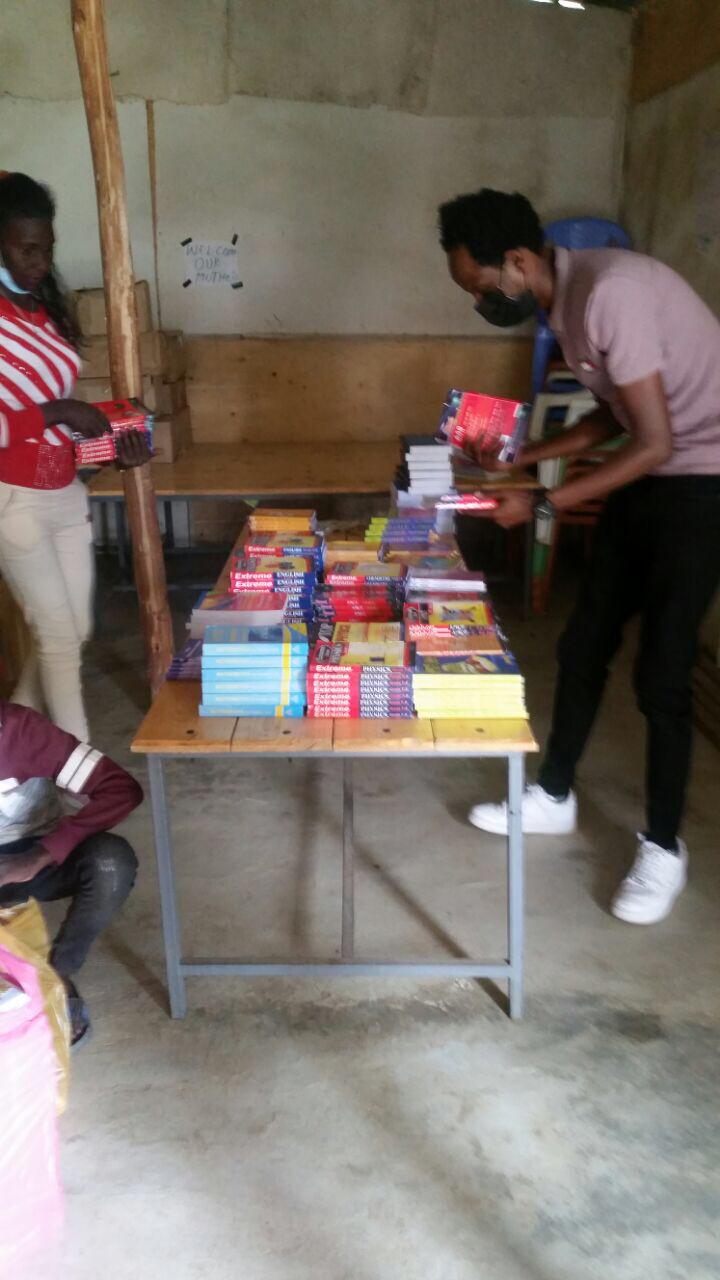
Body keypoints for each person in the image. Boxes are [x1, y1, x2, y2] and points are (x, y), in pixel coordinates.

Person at [438, 188, 720, 925]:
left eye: (478, 285)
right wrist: (524, 456)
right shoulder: (562, 303)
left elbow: (654, 440)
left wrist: (542, 503)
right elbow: (612, 416)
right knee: (584, 641)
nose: (478, 300)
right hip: (652, 470)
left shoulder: (609, 294)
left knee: (662, 676)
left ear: (517, 260)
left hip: (705, 482)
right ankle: (554, 795)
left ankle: (664, 847)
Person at [0, 171, 149, 742]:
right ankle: (80, 767)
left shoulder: (43, 310)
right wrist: (59, 410)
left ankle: (14, 735)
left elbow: (58, 424)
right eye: (26, 250)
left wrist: (110, 447)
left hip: (66, 491)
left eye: (47, 248)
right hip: (14, 500)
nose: (40, 262)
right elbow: (42, 415)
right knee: (59, 638)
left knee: (75, 629)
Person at [0, 698, 143, 1045]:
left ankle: (57, 975)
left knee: (110, 863)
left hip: (35, 855)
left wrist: (40, 855)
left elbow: (120, 788)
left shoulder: (22, 731)